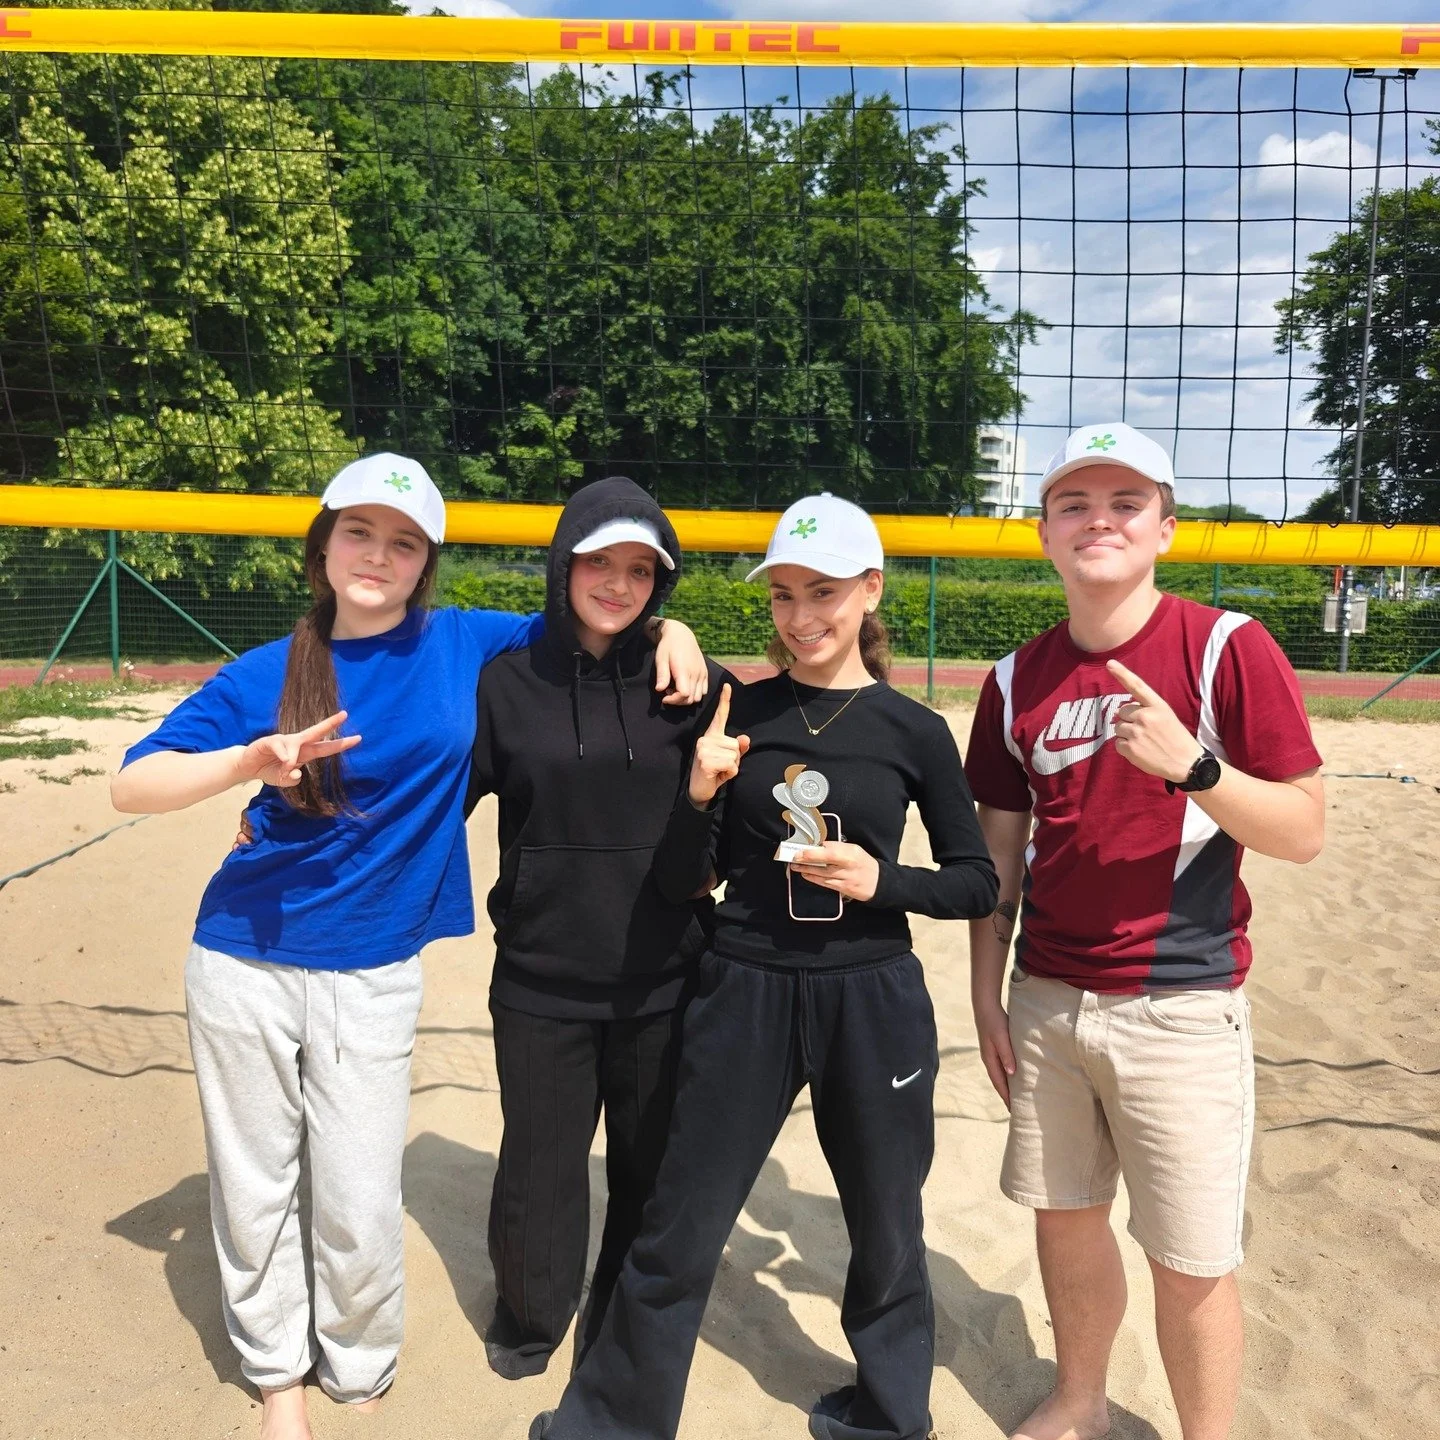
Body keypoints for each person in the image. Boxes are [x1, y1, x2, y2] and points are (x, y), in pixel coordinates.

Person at [109, 454, 706, 1440]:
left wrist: (673, 626)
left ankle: (356, 1349)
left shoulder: (465, 644)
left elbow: (595, 617)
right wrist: (251, 764)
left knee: (355, 1186)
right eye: (359, 533)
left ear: (427, 560)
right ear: (323, 545)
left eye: (404, 541)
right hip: (244, 958)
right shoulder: (270, 669)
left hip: (376, 967)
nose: (378, 556)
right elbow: (135, 784)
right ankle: (276, 1380)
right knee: (257, 1181)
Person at [533, 492, 999, 1440]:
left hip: (871, 994)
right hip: (740, 985)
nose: (800, 617)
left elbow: (977, 884)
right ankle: (611, 1425)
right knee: (679, 1224)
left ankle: (888, 1414)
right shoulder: (734, 705)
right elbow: (680, 878)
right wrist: (699, 792)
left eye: (823, 592)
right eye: (782, 594)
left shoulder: (915, 732)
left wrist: (882, 879)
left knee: (886, 1224)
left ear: (870, 591)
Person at [963, 422, 1325, 1440]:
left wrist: (1198, 769)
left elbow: (1305, 831)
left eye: (1126, 502)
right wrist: (984, 993)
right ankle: (1080, 1399)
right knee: (1065, 1221)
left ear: (1165, 527)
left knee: (1193, 1257)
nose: (1100, 520)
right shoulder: (1011, 680)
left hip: (1182, 1006)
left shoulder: (1224, 647)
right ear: (1042, 534)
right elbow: (1000, 854)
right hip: (1045, 1003)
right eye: (1075, 503)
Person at [465, 475, 731, 1380]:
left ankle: (625, 1315)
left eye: (640, 569)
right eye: (599, 563)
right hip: (541, 972)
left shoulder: (692, 681)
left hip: (664, 972)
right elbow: (430, 801)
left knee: (649, 1167)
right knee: (539, 1166)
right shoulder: (505, 685)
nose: (618, 583)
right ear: (563, 562)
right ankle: (533, 1314)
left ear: (662, 582)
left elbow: (762, 780)